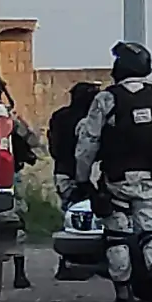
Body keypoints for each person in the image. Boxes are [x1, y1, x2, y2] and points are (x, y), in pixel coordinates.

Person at [74, 42, 152, 302]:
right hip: (148, 178)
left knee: (116, 235)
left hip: (117, 178)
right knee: (148, 230)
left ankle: (124, 300)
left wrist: (83, 179)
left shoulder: (107, 100)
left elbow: (88, 143)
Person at [0, 74, 41, 290]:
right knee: (15, 222)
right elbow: (33, 142)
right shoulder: (4, 118)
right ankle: (19, 273)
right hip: (6, 176)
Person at [47, 81, 101, 281]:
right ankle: (71, 263)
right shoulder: (91, 120)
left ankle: (73, 263)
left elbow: (53, 147)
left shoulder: (60, 117)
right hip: (84, 174)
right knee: (83, 218)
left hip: (63, 172)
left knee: (71, 216)